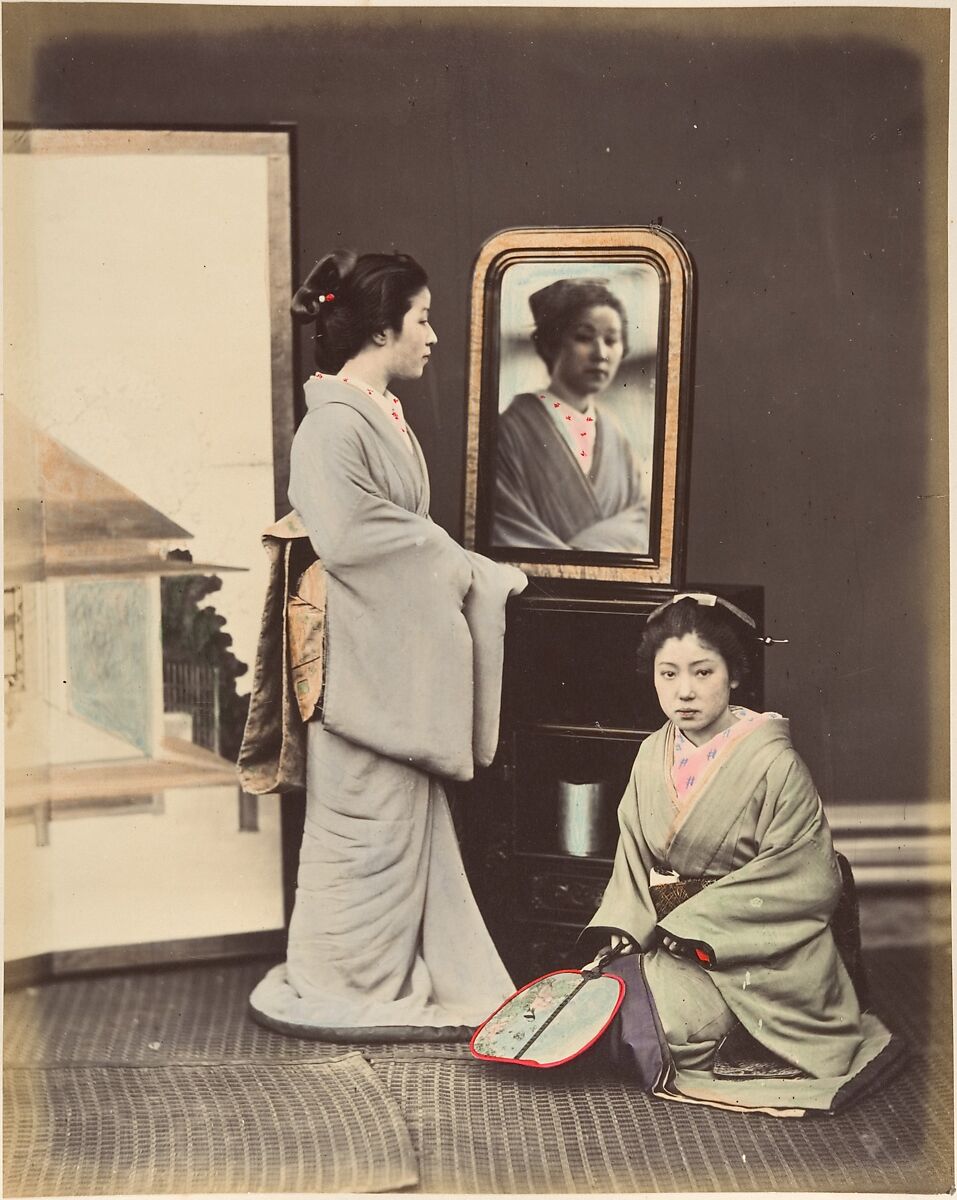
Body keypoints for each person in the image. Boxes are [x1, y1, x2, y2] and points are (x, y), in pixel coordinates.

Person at [248, 250, 526, 1040]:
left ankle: (389, 968)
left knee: (398, 822)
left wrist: (450, 559)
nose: (433, 335)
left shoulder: (372, 410)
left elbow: (393, 533)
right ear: (379, 329)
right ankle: (345, 977)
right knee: (359, 826)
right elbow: (353, 538)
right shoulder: (331, 426)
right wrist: (454, 561)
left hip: (387, 652)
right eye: (423, 318)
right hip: (360, 662)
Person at [580, 593, 901, 1113]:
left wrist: (697, 925)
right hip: (672, 939)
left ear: (733, 675)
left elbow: (807, 875)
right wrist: (625, 925)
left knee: (657, 1025)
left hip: (757, 954)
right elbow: (634, 856)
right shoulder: (650, 754)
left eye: (703, 672)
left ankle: (742, 1036)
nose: (684, 691)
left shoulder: (775, 763)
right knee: (607, 997)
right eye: (668, 674)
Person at [493, 278, 648, 553]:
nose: (600, 353)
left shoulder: (615, 435)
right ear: (553, 343)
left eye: (611, 340)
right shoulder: (510, 429)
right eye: (584, 337)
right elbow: (504, 526)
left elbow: (642, 519)